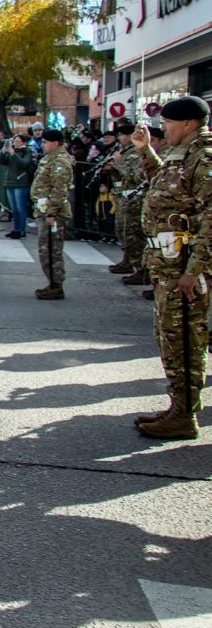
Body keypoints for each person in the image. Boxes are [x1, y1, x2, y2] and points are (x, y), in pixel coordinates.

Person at [130, 99, 212, 440]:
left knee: (185, 341)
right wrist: (145, 151)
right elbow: (165, 189)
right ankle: (178, 406)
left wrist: (195, 270)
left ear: (190, 123)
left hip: (184, 269)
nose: (164, 128)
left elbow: (210, 216)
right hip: (168, 265)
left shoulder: (204, 157)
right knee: (169, 338)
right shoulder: (184, 152)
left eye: (168, 123)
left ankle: (184, 416)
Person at [28, 129, 73, 300]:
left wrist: (52, 213)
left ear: (55, 143)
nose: (43, 144)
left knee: (51, 249)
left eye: (45, 142)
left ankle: (56, 285)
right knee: (46, 249)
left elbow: (59, 190)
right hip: (44, 210)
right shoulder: (50, 159)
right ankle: (52, 283)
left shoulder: (60, 161)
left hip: (53, 213)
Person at [106, 123, 149, 282]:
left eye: (123, 135)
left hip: (135, 198)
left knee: (133, 234)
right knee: (122, 230)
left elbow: (136, 177)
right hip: (123, 195)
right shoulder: (123, 151)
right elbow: (122, 177)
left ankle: (140, 268)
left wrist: (118, 163)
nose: (120, 138)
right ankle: (128, 260)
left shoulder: (136, 152)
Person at [0, 135, 34, 238]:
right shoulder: (11, 151)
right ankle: (16, 228)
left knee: (20, 207)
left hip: (21, 182)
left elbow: (24, 163)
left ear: (23, 142)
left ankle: (21, 230)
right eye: (14, 141)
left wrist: (14, 154)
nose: (16, 143)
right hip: (10, 182)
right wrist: (3, 153)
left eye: (18, 141)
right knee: (13, 208)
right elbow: (2, 162)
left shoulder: (26, 151)